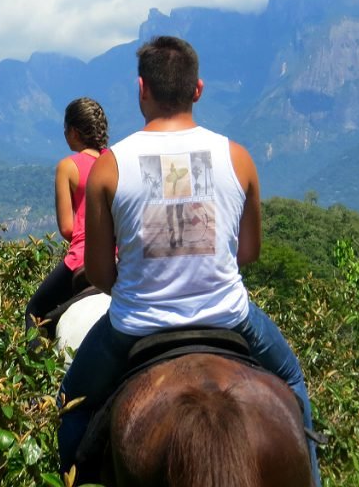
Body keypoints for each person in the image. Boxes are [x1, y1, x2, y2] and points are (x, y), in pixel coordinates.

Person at [57, 35, 321, 486]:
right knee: (295, 389)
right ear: (197, 89)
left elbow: (100, 274)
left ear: (142, 89)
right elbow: (249, 253)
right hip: (229, 317)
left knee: (71, 408)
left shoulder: (110, 166)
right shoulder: (238, 159)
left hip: (135, 326)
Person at [24, 98, 109, 352]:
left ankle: (36, 378)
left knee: (34, 311)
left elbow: (67, 228)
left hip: (84, 256)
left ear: (73, 131)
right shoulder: (115, 162)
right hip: (121, 256)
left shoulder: (68, 167)